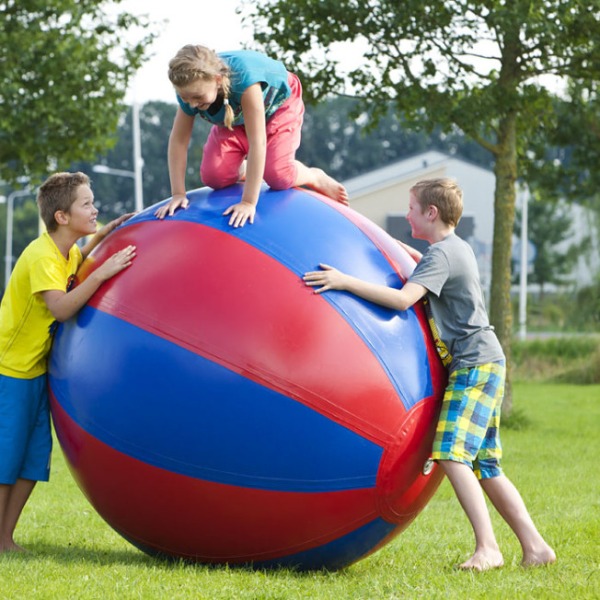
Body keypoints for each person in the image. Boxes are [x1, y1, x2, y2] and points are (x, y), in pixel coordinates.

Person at [303, 178, 556, 571]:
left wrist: (344, 281)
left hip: (473, 365)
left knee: (452, 455)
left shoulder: (441, 255)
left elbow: (404, 299)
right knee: (486, 465)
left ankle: (488, 548)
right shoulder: (455, 249)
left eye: (411, 208)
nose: (407, 215)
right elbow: (426, 271)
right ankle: (536, 547)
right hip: (487, 362)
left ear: (431, 213)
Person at [0, 172, 136, 553]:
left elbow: (82, 256)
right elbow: (60, 308)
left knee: (33, 458)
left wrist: (107, 231)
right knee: (7, 458)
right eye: (87, 204)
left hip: (35, 371)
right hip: (9, 370)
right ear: (61, 216)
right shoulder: (42, 256)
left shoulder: (69, 251)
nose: (95, 209)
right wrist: (105, 273)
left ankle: (5, 539)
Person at [154, 44, 348, 227]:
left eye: (197, 97)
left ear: (218, 80)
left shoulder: (245, 80)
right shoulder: (189, 92)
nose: (192, 104)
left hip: (278, 106)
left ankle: (314, 175)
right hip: (235, 117)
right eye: (186, 98)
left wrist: (248, 202)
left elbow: (258, 142)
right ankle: (249, 168)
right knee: (214, 177)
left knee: (278, 176)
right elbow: (178, 142)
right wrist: (178, 193)